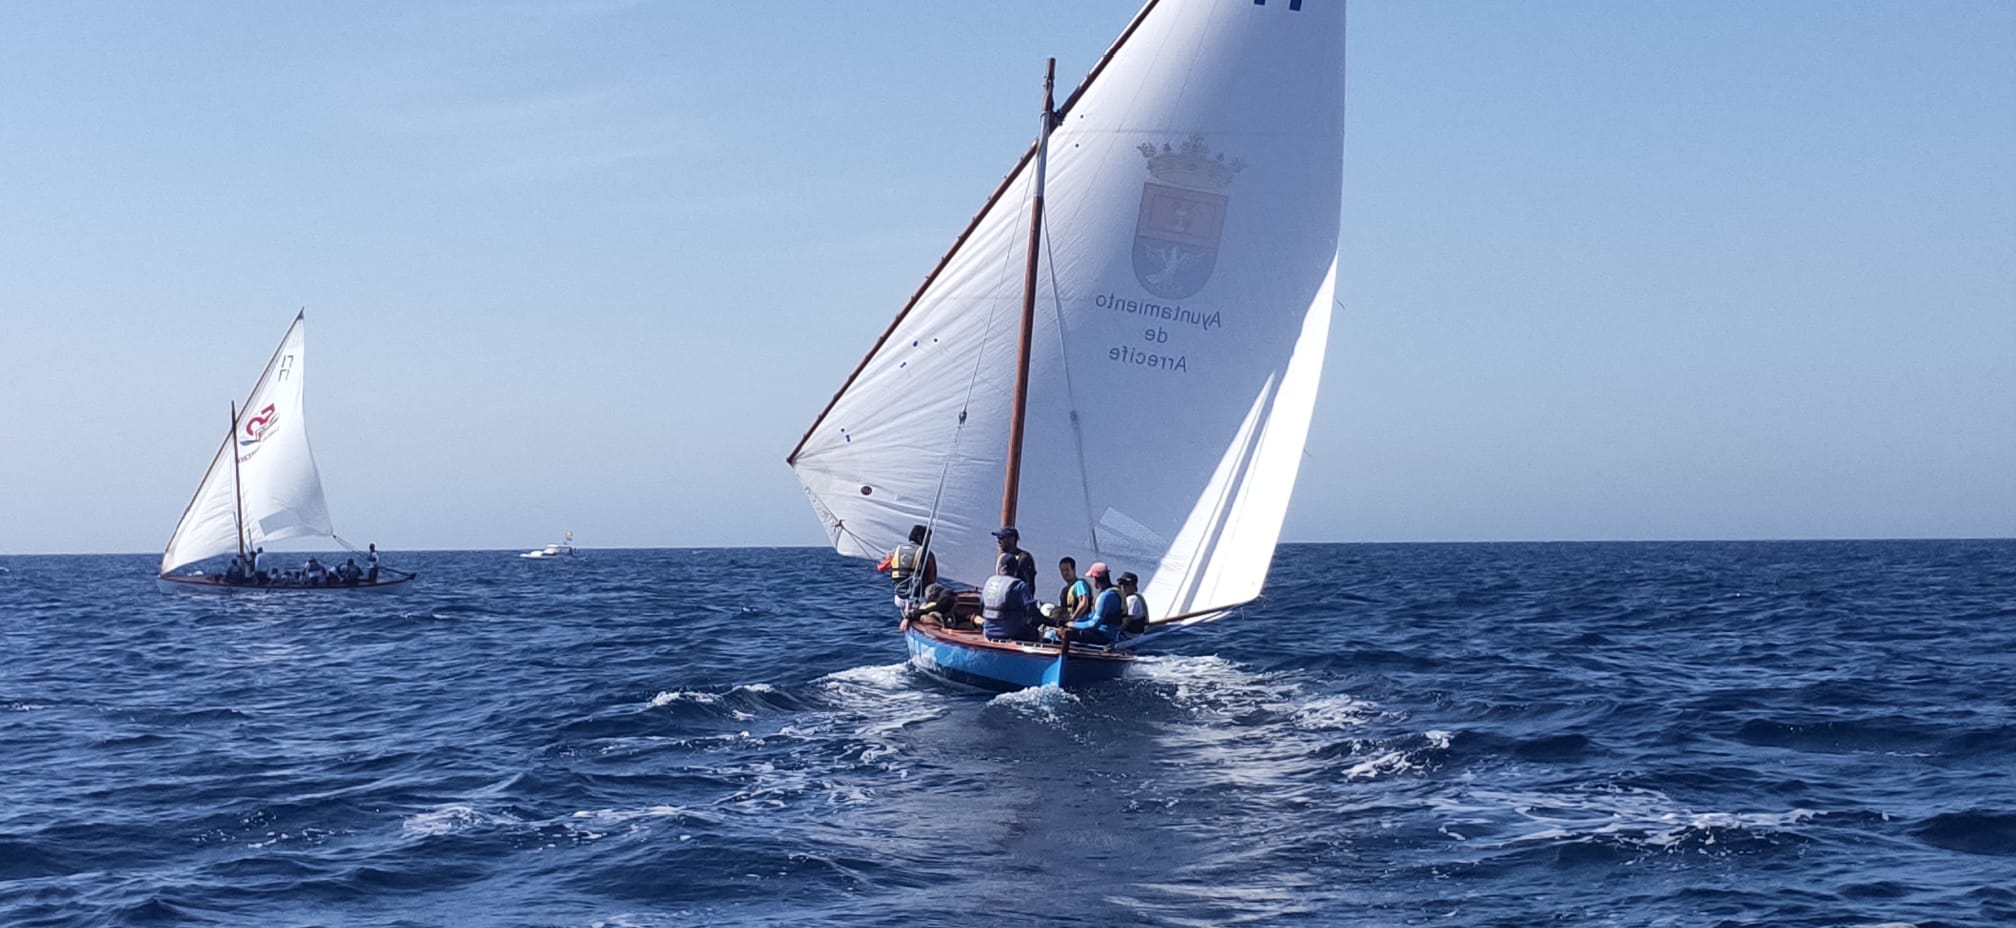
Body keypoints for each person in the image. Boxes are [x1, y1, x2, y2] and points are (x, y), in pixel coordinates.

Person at [980, 554, 1040, 642]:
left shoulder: (989, 582)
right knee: (1037, 633)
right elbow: (1032, 610)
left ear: (1001, 567)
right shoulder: (1020, 586)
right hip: (1013, 633)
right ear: (1016, 569)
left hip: (988, 633)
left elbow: (981, 605)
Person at [876, 524, 939, 605]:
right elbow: (932, 578)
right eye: (928, 539)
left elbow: (881, 568)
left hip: (900, 598)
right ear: (921, 538)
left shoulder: (895, 551)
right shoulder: (927, 554)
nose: (929, 542)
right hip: (919, 598)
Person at [1067, 562, 1125, 646]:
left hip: (1104, 637)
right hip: (1107, 634)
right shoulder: (1113, 591)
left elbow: (1094, 624)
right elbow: (1093, 616)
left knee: (1063, 633)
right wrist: (1076, 621)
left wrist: (1074, 625)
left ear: (1095, 578)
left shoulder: (1106, 596)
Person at [1056, 557, 1093, 623]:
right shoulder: (1064, 590)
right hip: (1068, 623)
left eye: (1067, 570)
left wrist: (1073, 619)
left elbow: (1083, 603)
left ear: (1074, 570)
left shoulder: (1079, 584)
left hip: (1081, 622)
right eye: (1062, 571)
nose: (1064, 573)